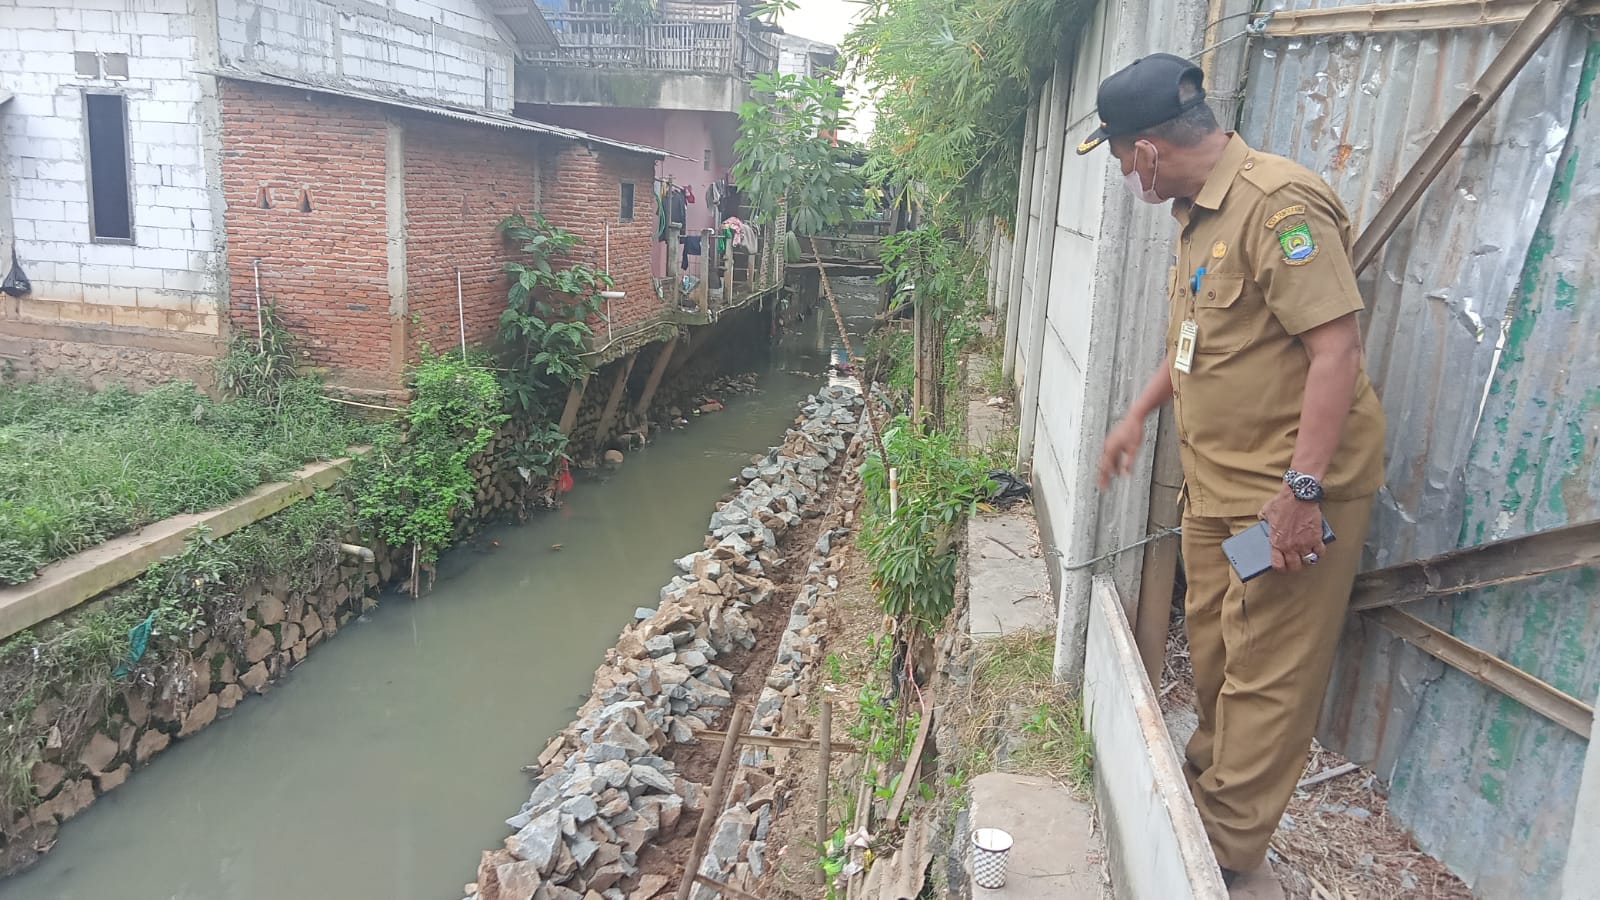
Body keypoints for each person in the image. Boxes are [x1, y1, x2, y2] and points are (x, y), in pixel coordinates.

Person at [1081, 54, 1387, 887]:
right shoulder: (1199, 215)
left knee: (1267, 676)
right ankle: (1202, 791)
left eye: (1118, 160)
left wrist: (1300, 494)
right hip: (1217, 490)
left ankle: (1216, 853)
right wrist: (1140, 415)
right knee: (1219, 648)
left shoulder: (1276, 205)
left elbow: (1336, 348)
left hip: (1280, 497)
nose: (1124, 177)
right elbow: (1198, 343)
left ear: (1147, 153)